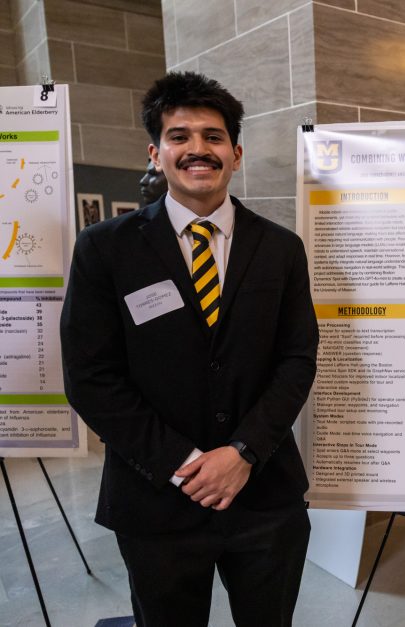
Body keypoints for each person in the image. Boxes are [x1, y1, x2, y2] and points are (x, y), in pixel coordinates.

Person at [60, 72, 318, 627]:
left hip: (264, 495)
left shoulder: (281, 248)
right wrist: (183, 464)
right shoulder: (105, 249)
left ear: (236, 153)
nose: (198, 149)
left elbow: (297, 360)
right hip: (155, 500)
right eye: (180, 136)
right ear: (156, 153)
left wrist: (242, 452)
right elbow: (90, 376)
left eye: (213, 136)